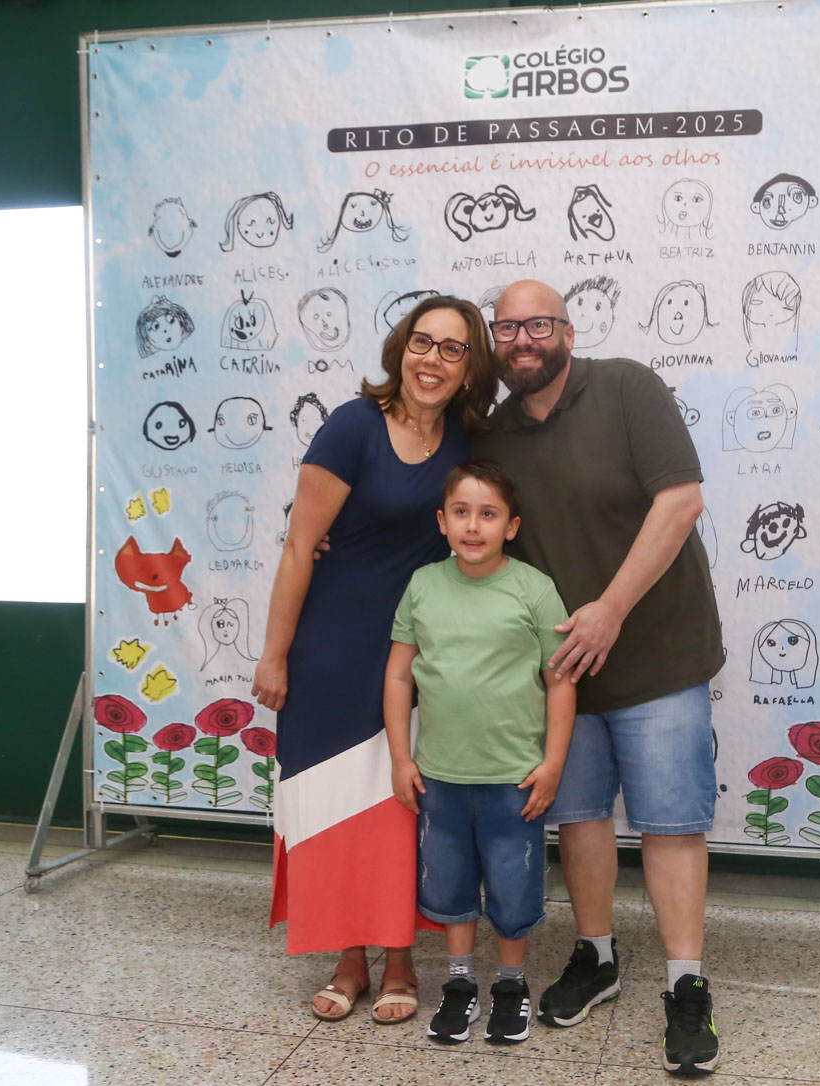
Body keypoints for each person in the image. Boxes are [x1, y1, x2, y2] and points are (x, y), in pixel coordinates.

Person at [476, 280, 725, 1075]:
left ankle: (685, 984)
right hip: (565, 668)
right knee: (578, 818)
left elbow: (680, 502)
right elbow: (464, 525)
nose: (522, 340)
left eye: (537, 324)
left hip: (659, 654)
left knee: (670, 823)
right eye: (506, 328)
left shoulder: (626, 387)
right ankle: (597, 957)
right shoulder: (493, 434)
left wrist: (610, 609)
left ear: (567, 330)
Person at [252, 296, 497, 1025]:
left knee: (402, 808)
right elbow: (301, 545)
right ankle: (349, 958)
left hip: (421, 653)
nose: (433, 359)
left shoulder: (469, 439)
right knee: (333, 806)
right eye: (423, 342)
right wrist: (274, 655)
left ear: (469, 368)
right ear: (400, 348)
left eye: (453, 348)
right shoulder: (352, 426)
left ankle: (400, 960)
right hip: (332, 646)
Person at [383, 460, 576, 1045]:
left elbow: (560, 681)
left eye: (488, 514)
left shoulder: (535, 589)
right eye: (461, 512)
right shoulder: (423, 585)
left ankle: (512, 985)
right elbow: (399, 677)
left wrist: (553, 764)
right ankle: (460, 983)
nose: (473, 526)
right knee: (450, 886)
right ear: (442, 521)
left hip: (514, 781)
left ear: (511, 526)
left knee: (513, 889)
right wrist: (401, 759)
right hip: (438, 778)